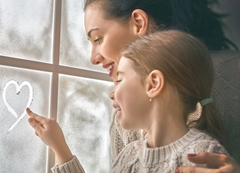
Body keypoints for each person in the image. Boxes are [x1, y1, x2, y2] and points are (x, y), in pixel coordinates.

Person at [82, 0, 239, 170]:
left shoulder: (229, 78)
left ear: (139, 23)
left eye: (98, 39)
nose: (93, 58)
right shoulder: (124, 114)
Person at [26, 30, 232, 172]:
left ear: (153, 84)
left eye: (120, 79)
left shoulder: (205, 156)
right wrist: (59, 148)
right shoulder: (129, 156)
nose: (111, 93)